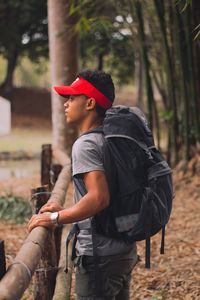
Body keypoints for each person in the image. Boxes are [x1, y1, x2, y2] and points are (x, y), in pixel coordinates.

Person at [28, 69, 138, 300]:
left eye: (71, 98)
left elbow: (99, 197)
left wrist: (54, 219)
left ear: (89, 103)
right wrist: (65, 211)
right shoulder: (112, 138)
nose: (66, 104)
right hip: (124, 249)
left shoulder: (86, 144)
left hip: (99, 256)